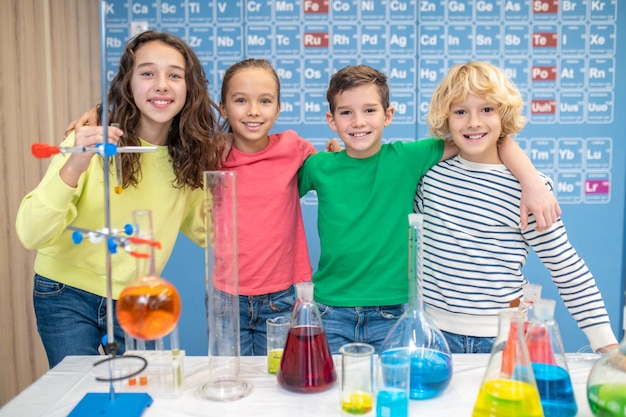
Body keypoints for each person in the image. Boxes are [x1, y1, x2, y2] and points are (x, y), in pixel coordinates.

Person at [297, 64, 562, 354]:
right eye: (346, 112)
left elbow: (484, 139)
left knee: (396, 388)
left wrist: (531, 180)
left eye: (369, 110)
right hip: (330, 309)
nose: (358, 121)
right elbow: (272, 188)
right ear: (331, 120)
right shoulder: (318, 166)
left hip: (393, 312)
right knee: (332, 395)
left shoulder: (408, 157)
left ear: (388, 115)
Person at [15, 31, 224, 368]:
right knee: (81, 394)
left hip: (138, 298)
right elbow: (31, 233)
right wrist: (76, 162)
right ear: (127, 83)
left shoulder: (189, 158)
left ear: (190, 88)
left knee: (139, 392)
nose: (161, 85)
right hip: (64, 293)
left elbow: (209, 231)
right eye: (147, 73)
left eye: (174, 75)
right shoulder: (90, 139)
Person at [414, 61, 618, 354]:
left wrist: (606, 345)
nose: (473, 122)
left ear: (504, 114)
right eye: (461, 111)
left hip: (502, 340)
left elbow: (566, 267)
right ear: (446, 118)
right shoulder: (430, 175)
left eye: (487, 109)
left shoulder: (529, 189)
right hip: (432, 337)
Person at [217, 58, 317, 355]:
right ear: (223, 108)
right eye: (240, 100)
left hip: (284, 295)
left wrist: (337, 152)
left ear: (278, 107)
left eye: (265, 101)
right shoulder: (211, 153)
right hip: (227, 296)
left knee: (281, 383)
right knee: (232, 382)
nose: (253, 111)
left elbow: (331, 170)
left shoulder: (293, 147)